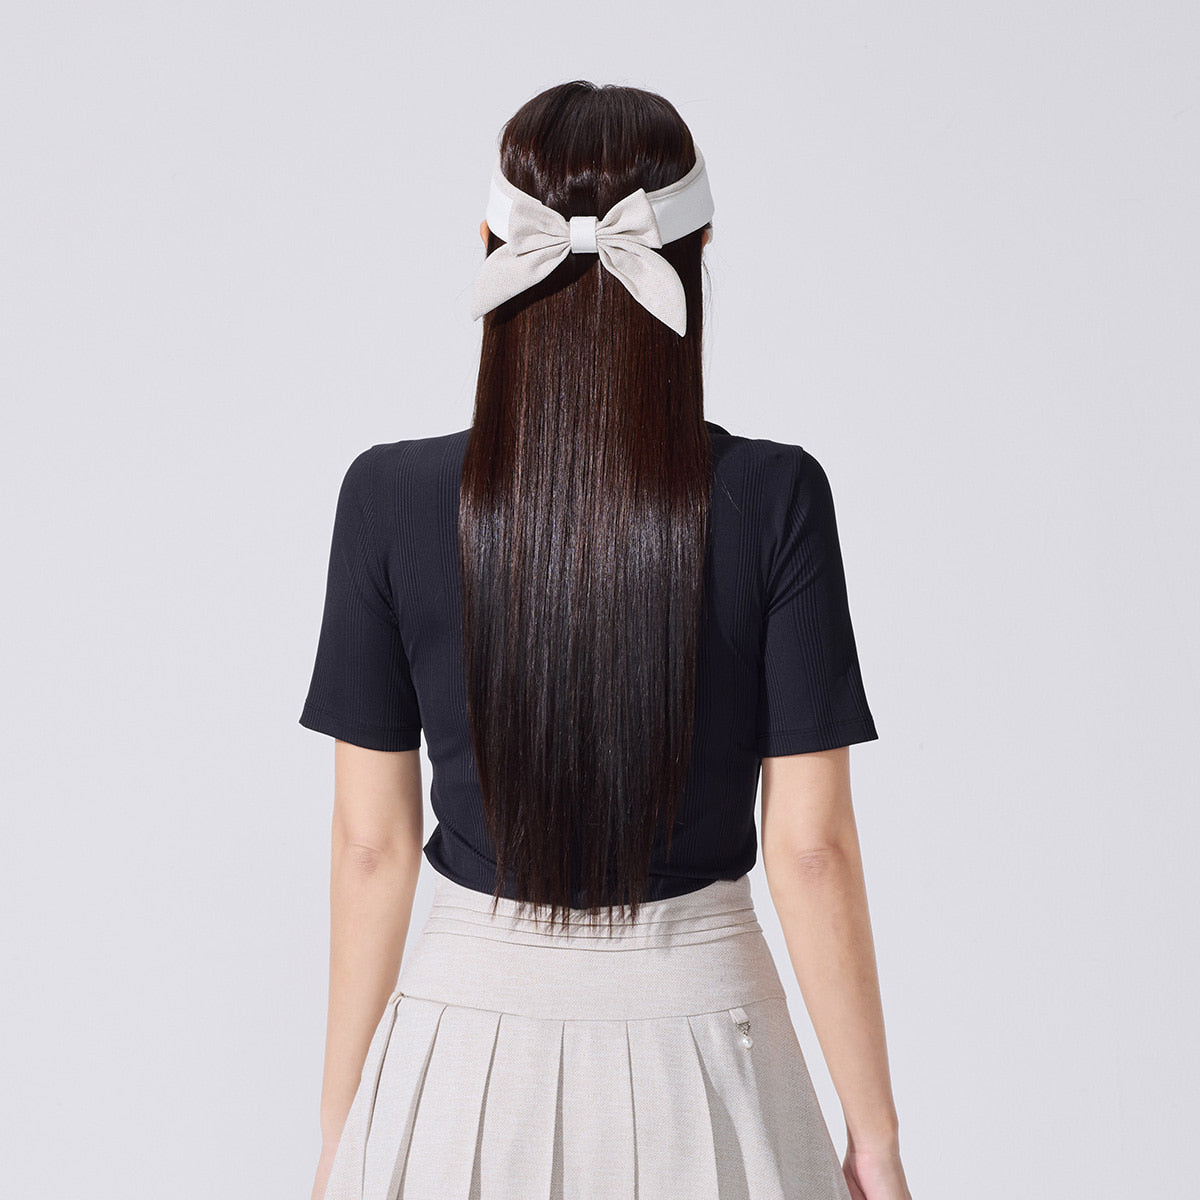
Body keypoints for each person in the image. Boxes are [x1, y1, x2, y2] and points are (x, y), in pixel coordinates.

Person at [299, 79, 913, 1200]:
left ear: (492, 244)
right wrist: (873, 1138)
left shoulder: (386, 499)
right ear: (699, 250)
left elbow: (371, 848)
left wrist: (343, 1142)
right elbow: (811, 849)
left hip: (458, 1068)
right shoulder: (776, 498)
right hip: (710, 1051)